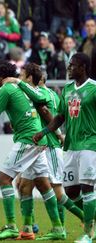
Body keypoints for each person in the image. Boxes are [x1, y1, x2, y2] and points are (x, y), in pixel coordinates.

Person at [0, 59, 65, 240]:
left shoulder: (6, 89)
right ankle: (55, 228)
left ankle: (11, 226)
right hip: (38, 139)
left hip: (27, 139)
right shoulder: (21, 87)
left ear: (1, 76)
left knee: (3, 179)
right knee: (40, 183)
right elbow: (43, 108)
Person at [4, 63, 84, 240]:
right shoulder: (53, 94)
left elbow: (48, 114)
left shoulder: (41, 94)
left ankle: (82, 221)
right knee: (23, 185)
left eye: (23, 75)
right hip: (40, 145)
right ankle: (29, 227)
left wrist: (58, 134)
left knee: (57, 189)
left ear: (36, 79)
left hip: (50, 145)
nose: (21, 78)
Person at [32, 53, 96, 243]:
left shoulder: (94, 88)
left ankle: (88, 232)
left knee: (87, 188)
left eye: (72, 65)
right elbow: (60, 117)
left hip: (90, 144)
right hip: (71, 145)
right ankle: (91, 220)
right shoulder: (67, 90)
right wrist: (44, 131)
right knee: (71, 192)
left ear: (83, 67)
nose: (68, 68)